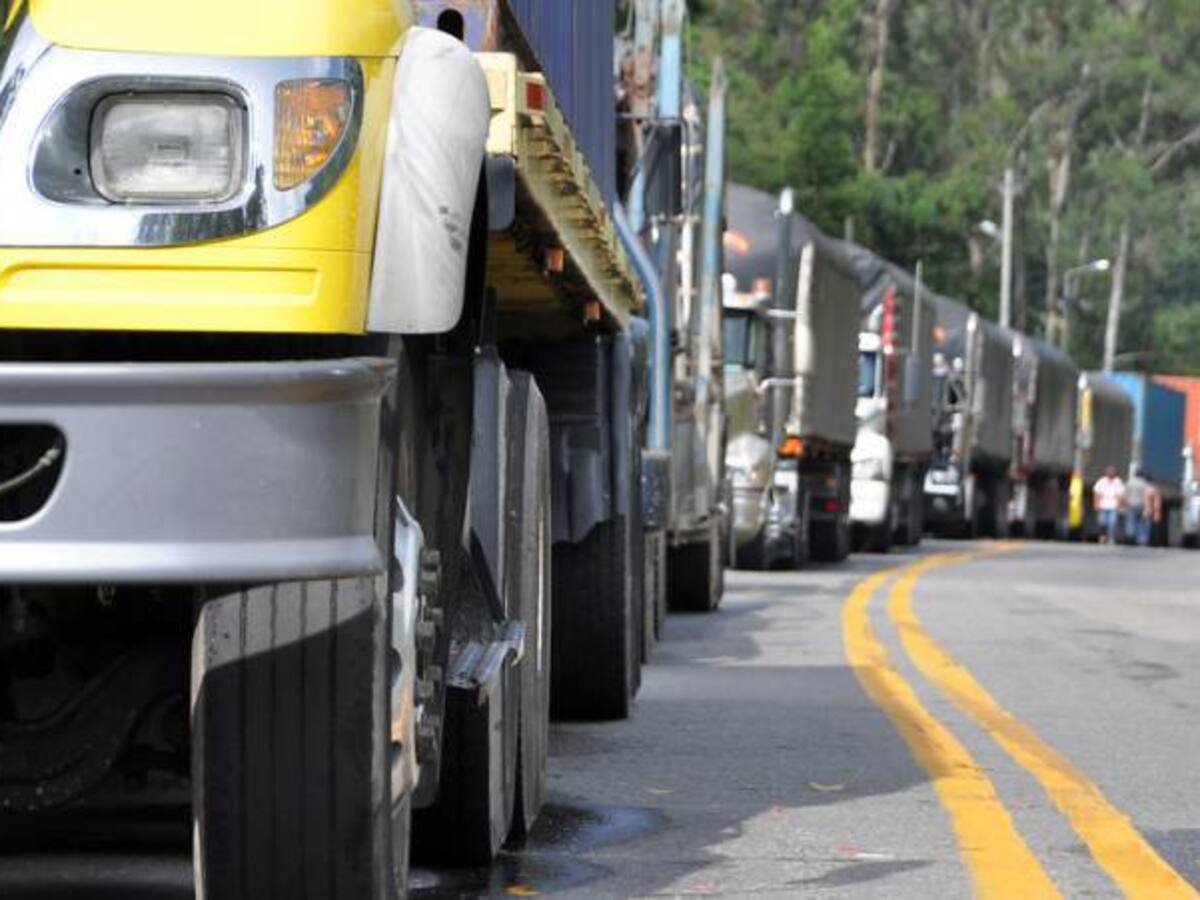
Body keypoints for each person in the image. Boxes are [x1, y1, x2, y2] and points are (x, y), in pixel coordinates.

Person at [1093, 465, 1125, 545]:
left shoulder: (1118, 481)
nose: (1110, 473)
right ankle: (1102, 537)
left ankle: (1111, 538)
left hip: (1113, 505)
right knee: (1102, 522)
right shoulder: (1102, 481)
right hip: (1103, 504)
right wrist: (1096, 503)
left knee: (1112, 523)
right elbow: (1097, 493)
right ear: (1106, 472)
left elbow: (1120, 495)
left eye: (1112, 471)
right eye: (1109, 471)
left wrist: (1120, 505)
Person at [1125, 465, 1148, 545]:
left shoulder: (1129, 482)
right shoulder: (1143, 483)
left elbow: (1126, 493)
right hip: (1140, 504)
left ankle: (1130, 537)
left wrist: (1125, 502)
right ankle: (1142, 540)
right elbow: (1145, 496)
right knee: (1141, 522)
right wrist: (1146, 507)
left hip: (1131, 504)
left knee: (1130, 521)